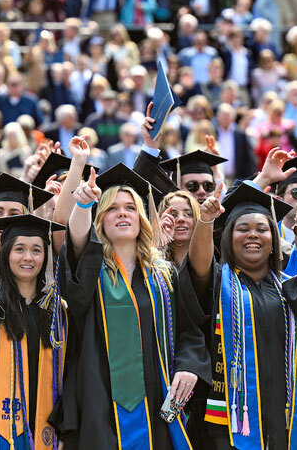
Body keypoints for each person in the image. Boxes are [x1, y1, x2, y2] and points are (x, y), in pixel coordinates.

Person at [59, 163, 209, 449]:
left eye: (130, 207)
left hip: (158, 400)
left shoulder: (164, 275)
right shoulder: (92, 271)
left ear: (141, 218)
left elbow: (190, 331)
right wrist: (83, 205)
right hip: (99, 398)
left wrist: (188, 367)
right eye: (112, 208)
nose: (122, 213)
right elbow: (76, 244)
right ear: (100, 219)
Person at [183, 181, 297, 450]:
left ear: (274, 240)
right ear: (228, 237)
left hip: (287, 418)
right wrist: (204, 221)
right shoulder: (218, 284)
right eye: (242, 229)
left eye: (262, 229)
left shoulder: (291, 290)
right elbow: (199, 264)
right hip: (228, 427)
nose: (253, 235)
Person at [0, 185, 68, 450]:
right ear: (6, 253)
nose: (28, 257)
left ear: (46, 257)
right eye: (19, 249)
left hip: (50, 422)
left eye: (37, 250)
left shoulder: (56, 310)